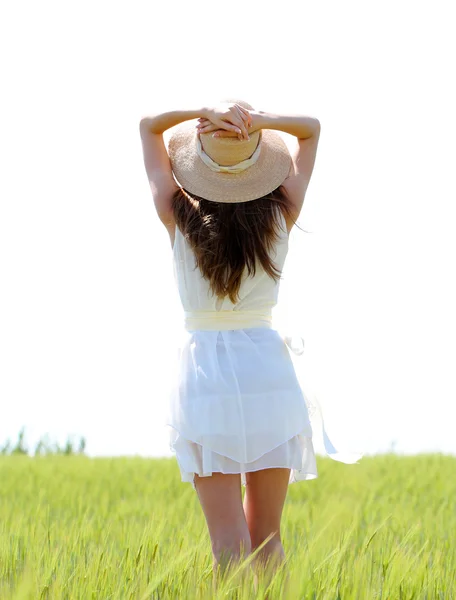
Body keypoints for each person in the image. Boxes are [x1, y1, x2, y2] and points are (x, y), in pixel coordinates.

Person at [139, 99, 363, 584]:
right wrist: (260, 124)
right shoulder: (281, 212)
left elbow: (148, 127)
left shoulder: (177, 215)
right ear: (257, 165)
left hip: (207, 379)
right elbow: (311, 130)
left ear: (199, 168)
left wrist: (197, 112)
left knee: (228, 544)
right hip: (268, 372)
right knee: (268, 538)